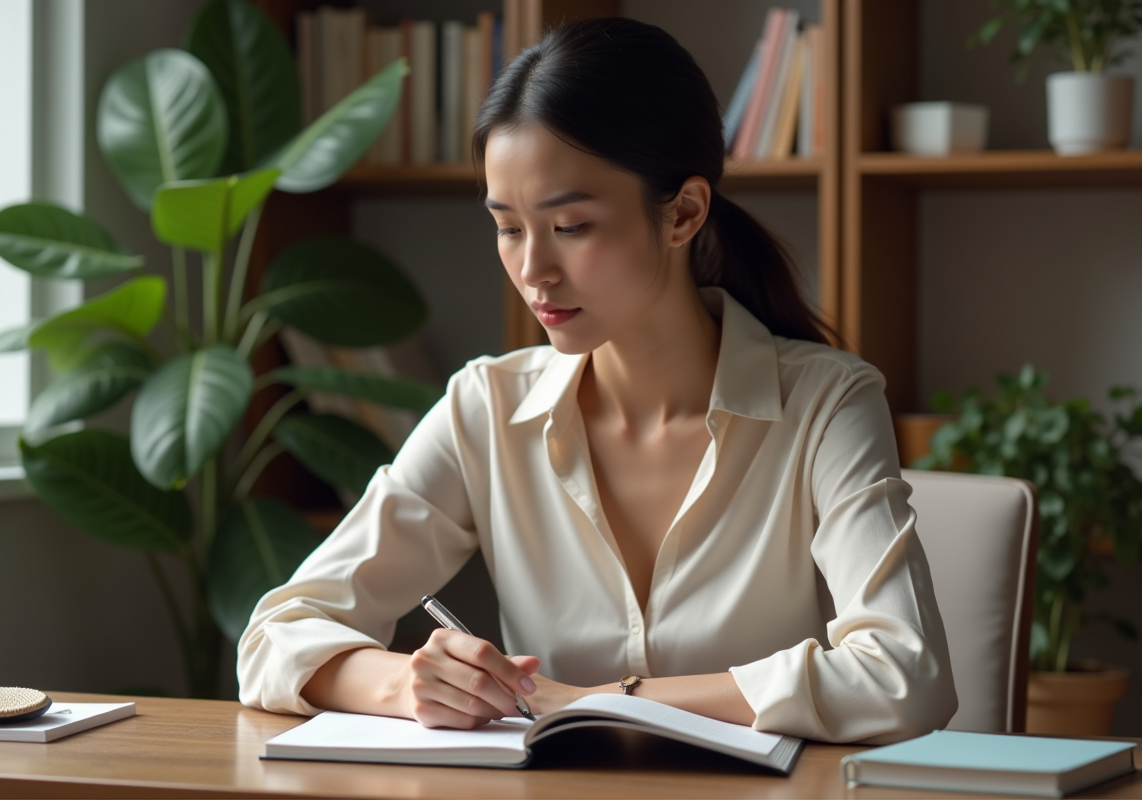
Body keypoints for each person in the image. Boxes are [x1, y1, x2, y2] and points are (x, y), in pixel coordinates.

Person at [237, 16, 957, 744]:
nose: (533, 271)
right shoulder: (487, 408)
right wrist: (406, 683)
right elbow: (275, 635)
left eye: (572, 226)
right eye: (509, 228)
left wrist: (600, 700)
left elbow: (906, 676)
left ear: (683, 213)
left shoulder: (826, 404)